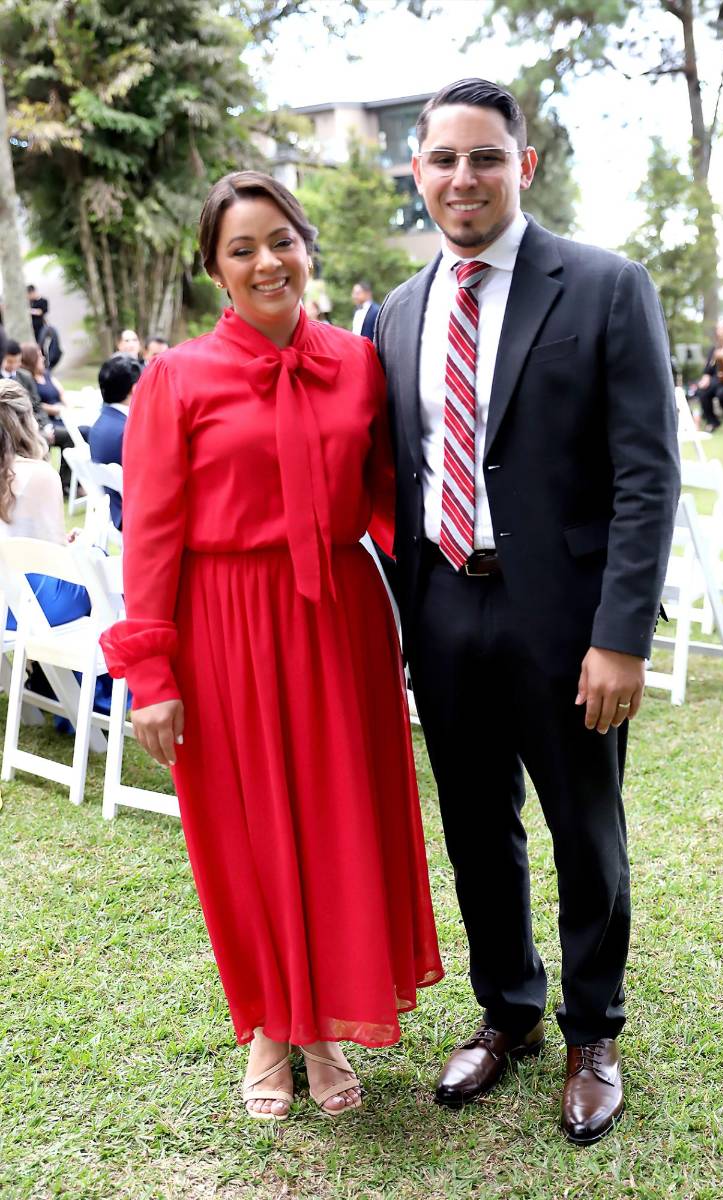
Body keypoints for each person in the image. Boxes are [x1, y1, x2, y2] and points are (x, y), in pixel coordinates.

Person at [99, 170, 442, 1123]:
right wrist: (152, 672)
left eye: (280, 240)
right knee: (246, 832)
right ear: (216, 270)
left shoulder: (360, 363)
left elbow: (388, 499)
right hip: (225, 626)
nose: (266, 262)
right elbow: (152, 535)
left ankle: (322, 1026)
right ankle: (265, 1025)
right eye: (241, 249)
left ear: (307, 247)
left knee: (337, 821)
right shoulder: (175, 378)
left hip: (338, 618)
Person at [374, 79, 680, 1145]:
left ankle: (593, 1028)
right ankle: (508, 1011)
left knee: (584, 830)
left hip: (568, 624)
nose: (463, 178)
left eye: (484, 157)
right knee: (475, 829)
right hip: (444, 612)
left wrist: (619, 636)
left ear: (524, 165)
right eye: (443, 160)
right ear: (416, 172)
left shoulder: (602, 287)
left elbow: (646, 474)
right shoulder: (395, 311)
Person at [0, 379, 89, 628]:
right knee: (100, 575)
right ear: (25, 420)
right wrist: (78, 546)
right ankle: (95, 668)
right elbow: (55, 556)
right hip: (32, 603)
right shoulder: (39, 473)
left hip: (5, 602)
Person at [89, 356, 142, 530]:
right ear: (135, 389)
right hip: (131, 514)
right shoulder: (128, 431)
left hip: (114, 510)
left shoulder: (100, 423)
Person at [19, 342, 73, 496]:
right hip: (44, 422)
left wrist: (66, 405)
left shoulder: (46, 374)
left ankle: (67, 482)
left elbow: (60, 391)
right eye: (39, 356)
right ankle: (59, 485)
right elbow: (35, 405)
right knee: (68, 435)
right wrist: (52, 416)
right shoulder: (26, 378)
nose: (43, 358)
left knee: (81, 431)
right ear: (30, 359)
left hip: (55, 419)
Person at [1, 339, 54, 444]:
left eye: (17, 361)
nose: (13, 365)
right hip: (7, 428)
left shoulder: (25, 377)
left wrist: (46, 425)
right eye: (9, 361)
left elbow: (37, 405)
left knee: (58, 436)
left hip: (31, 424)